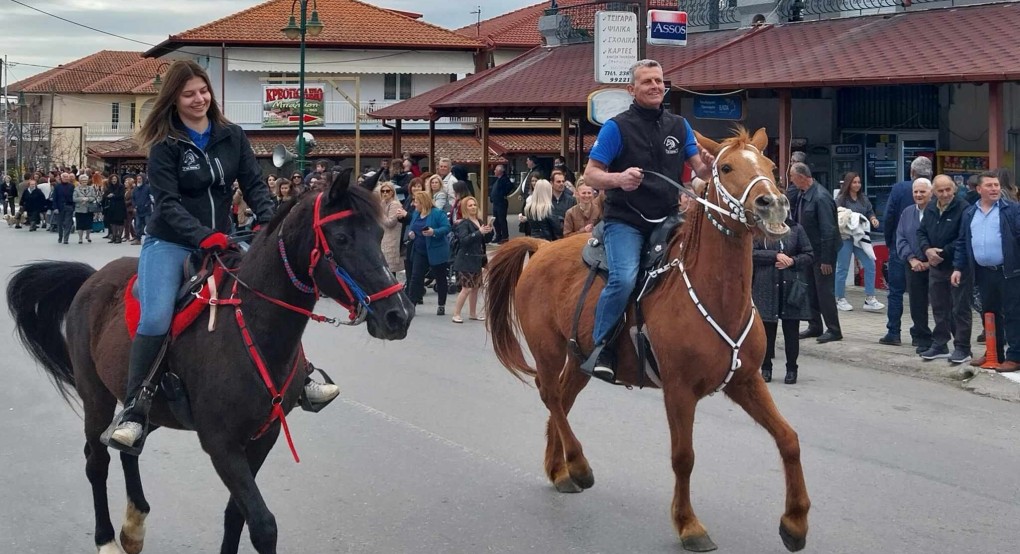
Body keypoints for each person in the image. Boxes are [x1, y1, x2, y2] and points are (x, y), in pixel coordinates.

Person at [103, 60, 337, 453]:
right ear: (174, 99)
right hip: (170, 242)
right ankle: (134, 408)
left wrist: (270, 223)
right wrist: (202, 235)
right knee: (157, 313)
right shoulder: (165, 144)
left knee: (267, 294)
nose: (198, 99)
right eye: (188, 93)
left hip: (224, 239)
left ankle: (302, 378)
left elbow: (255, 185)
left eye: (203, 91)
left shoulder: (232, 136)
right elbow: (167, 204)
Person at [582, 59, 713, 380]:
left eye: (659, 80)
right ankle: (603, 347)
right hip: (625, 220)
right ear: (632, 89)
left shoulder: (679, 125)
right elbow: (591, 175)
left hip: (668, 219)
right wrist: (620, 178)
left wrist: (711, 166)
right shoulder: (617, 127)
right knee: (625, 278)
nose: (655, 86)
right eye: (647, 82)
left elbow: (701, 171)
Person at [951, 171, 1020, 372]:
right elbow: (963, 242)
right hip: (982, 272)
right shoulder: (970, 213)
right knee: (989, 312)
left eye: (996, 185)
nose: (994, 189)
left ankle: (1015, 355)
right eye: (989, 186)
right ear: (979, 189)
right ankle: (994, 352)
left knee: (1013, 313)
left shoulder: (1012, 210)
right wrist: (957, 268)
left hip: (1009, 272)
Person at [752, 218, 814, 384]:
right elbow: (751, 253)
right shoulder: (759, 229)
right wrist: (775, 256)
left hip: (790, 288)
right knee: (767, 332)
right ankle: (766, 368)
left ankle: (792, 368)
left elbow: (809, 254)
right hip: (765, 287)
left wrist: (793, 261)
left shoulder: (796, 229)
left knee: (791, 331)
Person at [917, 175, 972, 364]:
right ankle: (940, 344)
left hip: (956, 265)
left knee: (960, 308)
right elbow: (921, 232)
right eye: (940, 190)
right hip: (936, 266)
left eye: (948, 189)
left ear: (954, 189)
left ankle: (963, 348)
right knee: (939, 307)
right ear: (934, 192)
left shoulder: (964, 208)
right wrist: (927, 250)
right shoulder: (931, 208)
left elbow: (964, 238)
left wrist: (943, 252)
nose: (945, 194)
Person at [881, 156, 933, 346]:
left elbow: (888, 217)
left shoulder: (899, 188)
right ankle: (919, 333)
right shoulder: (933, 190)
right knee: (923, 294)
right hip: (924, 251)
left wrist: (890, 242)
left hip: (899, 246)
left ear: (911, 172)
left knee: (895, 291)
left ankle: (893, 332)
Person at [789, 162, 842, 343]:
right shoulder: (803, 194)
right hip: (808, 252)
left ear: (802, 177)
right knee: (810, 290)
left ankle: (834, 329)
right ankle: (815, 325)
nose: (790, 180)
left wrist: (826, 259)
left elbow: (829, 230)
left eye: (792, 176)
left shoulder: (820, 197)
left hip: (822, 253)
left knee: (824, 291)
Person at [834, 172, 883, 312]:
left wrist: (873, 219)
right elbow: (836, 214)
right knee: (842, 268)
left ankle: (870, 298)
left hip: (860, 236)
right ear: (848, 183)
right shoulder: (841, 199)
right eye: (854, 182)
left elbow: (870, 211)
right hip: (846, 236)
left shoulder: (863, 198)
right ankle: (840, 298)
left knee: (870, 263)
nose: (857, 185)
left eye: (859, 182)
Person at [895, 178, 934, 353]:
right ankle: (922, 337)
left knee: (942, 304)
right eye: (916, 192)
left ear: (930, 193)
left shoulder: (936, 212)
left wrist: (929, 262)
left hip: (936, 266)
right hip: (913, 265)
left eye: (922, 192)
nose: (918, 195)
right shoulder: (907, 212)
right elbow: (901, 237)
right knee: (917, 304)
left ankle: (942, 338)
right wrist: (911, 259)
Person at [405, 190, 451, 315]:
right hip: (420, 249)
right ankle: (411, 304)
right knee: (415, 277)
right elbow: (413, 227)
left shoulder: (437, 213)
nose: (414, 204)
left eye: (416, 202)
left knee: (440, 277)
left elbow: (447, 227)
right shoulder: (416, 213)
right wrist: (412, 234)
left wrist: (433, 232)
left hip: (436, 250)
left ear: (423, 202)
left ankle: (441, 304)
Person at [450, 196, 494, 323]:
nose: (473, 207)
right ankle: (456, 313)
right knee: (466, 288)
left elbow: (485, 240)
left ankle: (473, 313)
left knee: (475, 288)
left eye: (474, 205)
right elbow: (463, 240)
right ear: (465, 208)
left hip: (477, 259)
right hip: (465, 259)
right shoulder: (464, 223)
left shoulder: (479, 221)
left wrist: (488, 231)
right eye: (470, 205)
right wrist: (479, 232)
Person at [377, 181, 406, 276]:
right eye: (383, 191)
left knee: (390, 267)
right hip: (384, 236)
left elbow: (390, 222)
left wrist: (380, 213)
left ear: (392, 192)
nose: (385, 193)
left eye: (387, 191)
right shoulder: (383, 203)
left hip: (392, 238)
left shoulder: (395, 204)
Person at [51, 172, 76, 244]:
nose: (66, 178)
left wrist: (73, 207)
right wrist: (55, 208)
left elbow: (74, 197)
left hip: (69, 206)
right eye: (64, 177)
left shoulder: (72, 186)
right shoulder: (57, 187)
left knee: (68, 223)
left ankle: (66, 239)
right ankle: (60, 236)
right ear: (61, 178)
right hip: (59, 207)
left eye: (67, 177)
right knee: (60, 223)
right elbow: (54, 198)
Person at [73, 175, 99, 243]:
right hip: (79, 209)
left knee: (88, 224)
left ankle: (88, 236)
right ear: (80, 181)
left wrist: (88, 199)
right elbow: (74, 198)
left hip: (89, 208)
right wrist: (82, 199)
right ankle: (80, 238)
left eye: (86, 181)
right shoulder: (76, 189)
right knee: (80, 224)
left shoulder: (91, 188)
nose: (84, 182)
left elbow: (94, 196)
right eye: (83, 181)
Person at [490, 164, 511, 243]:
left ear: (500, 171)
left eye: (496, 170)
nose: (494, 171)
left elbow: (509, 187)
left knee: (502, 220)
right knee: (496, 221)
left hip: (501, 203)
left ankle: (505, 237)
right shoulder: (497, 179)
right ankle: (498, 235)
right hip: (496, 203)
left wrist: (502, 195)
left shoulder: (505, 179)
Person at [105, 173, 127, 243]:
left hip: (119, 206)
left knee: (119, 222)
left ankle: (119, 237)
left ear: (117, 179)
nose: (114, 180)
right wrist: (108, 196)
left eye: (115, 179)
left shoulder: (121, 186)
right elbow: (106, 194)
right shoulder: (109, 186)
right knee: (112, 222)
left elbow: (121, 195)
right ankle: (114, 236)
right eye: (112, 179)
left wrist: (113, 195)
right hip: (111, 206)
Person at [132, 175, 151, 245]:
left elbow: (151, 198)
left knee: (148, 225)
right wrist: (134, 206)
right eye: (137, 179)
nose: (138, 180)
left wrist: (147, 204)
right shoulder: (135, 189)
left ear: (143, 179)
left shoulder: (148, 188)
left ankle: (149, 239)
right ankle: (138, 239)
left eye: (140, 179)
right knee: (137, 225)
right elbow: (133, 198)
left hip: (146, 210)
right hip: (138, 210)